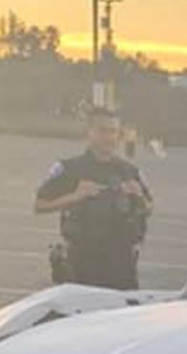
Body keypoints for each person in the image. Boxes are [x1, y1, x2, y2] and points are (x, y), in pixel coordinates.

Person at [34, 107, 152, 290]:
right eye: (102, 130)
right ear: (88, 133)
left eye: (113, 131)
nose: (108, 137)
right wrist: (75, 197)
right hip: (82, 261)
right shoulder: (70, 169)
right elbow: (40, 205)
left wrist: (139, 196)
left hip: (121, 263)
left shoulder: (129, 171)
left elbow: (148, 207)